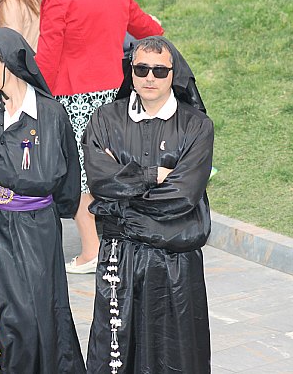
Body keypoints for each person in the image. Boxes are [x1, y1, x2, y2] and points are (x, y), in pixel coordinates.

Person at [82, 36, 212, 373]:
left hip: (175, 262)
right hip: (120, 259)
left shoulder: (197, 126)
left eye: (159, 70)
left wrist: (123, 205)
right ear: (131, 70)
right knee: (117, 352)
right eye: (141, 69)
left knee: (175, 353)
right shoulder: (104, 119)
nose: (149, 77)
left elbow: (183, 195)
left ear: (173, 73)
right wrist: (152, 175)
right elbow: (99, 181)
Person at [0, 27, 85, 374]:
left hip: (34, 227)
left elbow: (67, 181)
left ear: (11, 63)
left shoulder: (50, 114)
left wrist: (39, 209)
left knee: (32, 312)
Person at [35, 0, 164, 274]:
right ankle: (118, 243)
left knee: (78, 175)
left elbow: (48, 60)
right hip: (113, 97)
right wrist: (156, 27)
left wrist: (33, 93)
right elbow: (143, 27)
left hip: (73, 98)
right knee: (109, 168)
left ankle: (92, 250)